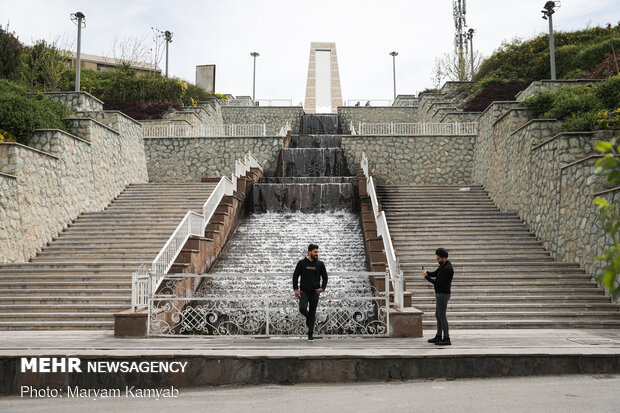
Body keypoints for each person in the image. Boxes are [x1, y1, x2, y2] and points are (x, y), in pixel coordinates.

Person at [293, 243, 328, 341]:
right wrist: (295, 289)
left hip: (315, 292)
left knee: (313, 312)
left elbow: (325, 277)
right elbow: (295, 276)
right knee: (302, 308)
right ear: (309, 252)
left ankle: (310, 334)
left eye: (317, 252)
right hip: (303, 292)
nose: (317, 253)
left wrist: (323, 288)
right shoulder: (301, 263)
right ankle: (310, 318)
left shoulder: (320, 264)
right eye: (315, 252)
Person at [421, 247, 454, 346]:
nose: (437, 260)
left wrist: (425, 277)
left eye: (438, 258)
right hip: (440, 294)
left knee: (442, 316)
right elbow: (435, 273)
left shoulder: (447, 269)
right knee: (438, 315)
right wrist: (427, 272)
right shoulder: (443, 265)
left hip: (443, 295)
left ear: (443, 258)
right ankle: (439, 336)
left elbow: (437, 283)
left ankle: (446, 338)